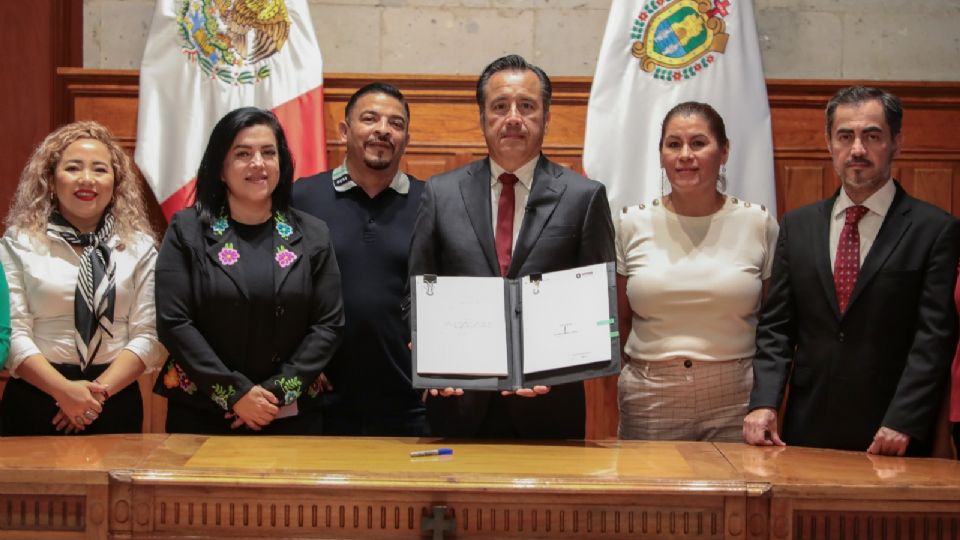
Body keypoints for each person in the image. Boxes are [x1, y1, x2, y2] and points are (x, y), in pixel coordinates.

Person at [408, 54, 616, 439]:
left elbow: (596, 304)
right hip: (458, 401)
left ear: (547, 117)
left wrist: (562, 367)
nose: (513, 117)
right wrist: (429, 354)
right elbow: (418, 288)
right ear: (483, 118)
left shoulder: (583, 197)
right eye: (500, 107)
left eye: (527, 106)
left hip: (548, 406)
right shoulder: (441, 193)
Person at [744, 86, 960, 456]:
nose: (857, 149)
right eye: (845, 136)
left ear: (896, 143)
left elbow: (933, 338)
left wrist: (903, 419)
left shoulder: (934, 229)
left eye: (872, 136)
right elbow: (777, 327)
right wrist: (764, 402)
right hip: (805, 426)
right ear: (829, 143)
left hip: (891, 432)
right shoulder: (798, 226)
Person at [154, 107, 344, 435]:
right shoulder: (186, 230)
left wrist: (273, 395)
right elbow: (174, 323)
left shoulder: (314, 234)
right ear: (221, 168)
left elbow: (328, 324)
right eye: (243, 153)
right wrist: (236, 395)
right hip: (202, 414)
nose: (258, 163)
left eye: (268, 153)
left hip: (290, 415)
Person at [616, 102, 778, 441]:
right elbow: (620, 320)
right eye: (673, 144)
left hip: (737, 395)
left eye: (698, 143)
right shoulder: (630, 223)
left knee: (735, 493)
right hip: (651, 392)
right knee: (651, 494)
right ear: (660, 154)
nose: (685, 154)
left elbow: (774, 321)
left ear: (724, 151)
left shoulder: (757, 222)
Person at [0, 120, 165, 436]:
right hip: (37, 396)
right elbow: (15, 332)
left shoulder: (140, 248)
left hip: (114, 397)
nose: (86, 179)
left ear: (116, 184)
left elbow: (150, 334)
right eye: (73, 168)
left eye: (100, 170)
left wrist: (93, 395)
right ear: (50, 179)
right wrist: (63, 391)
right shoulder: (19, 243)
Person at [292, 82, 426, 436]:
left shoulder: (433, 204)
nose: (383, 129)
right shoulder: (300, 199)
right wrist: (296, 363)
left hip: (410, 403)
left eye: (396, 124)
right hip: (318, 400)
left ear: (406, 141)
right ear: (344, 131)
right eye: (370, 118)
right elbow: (277, 288)